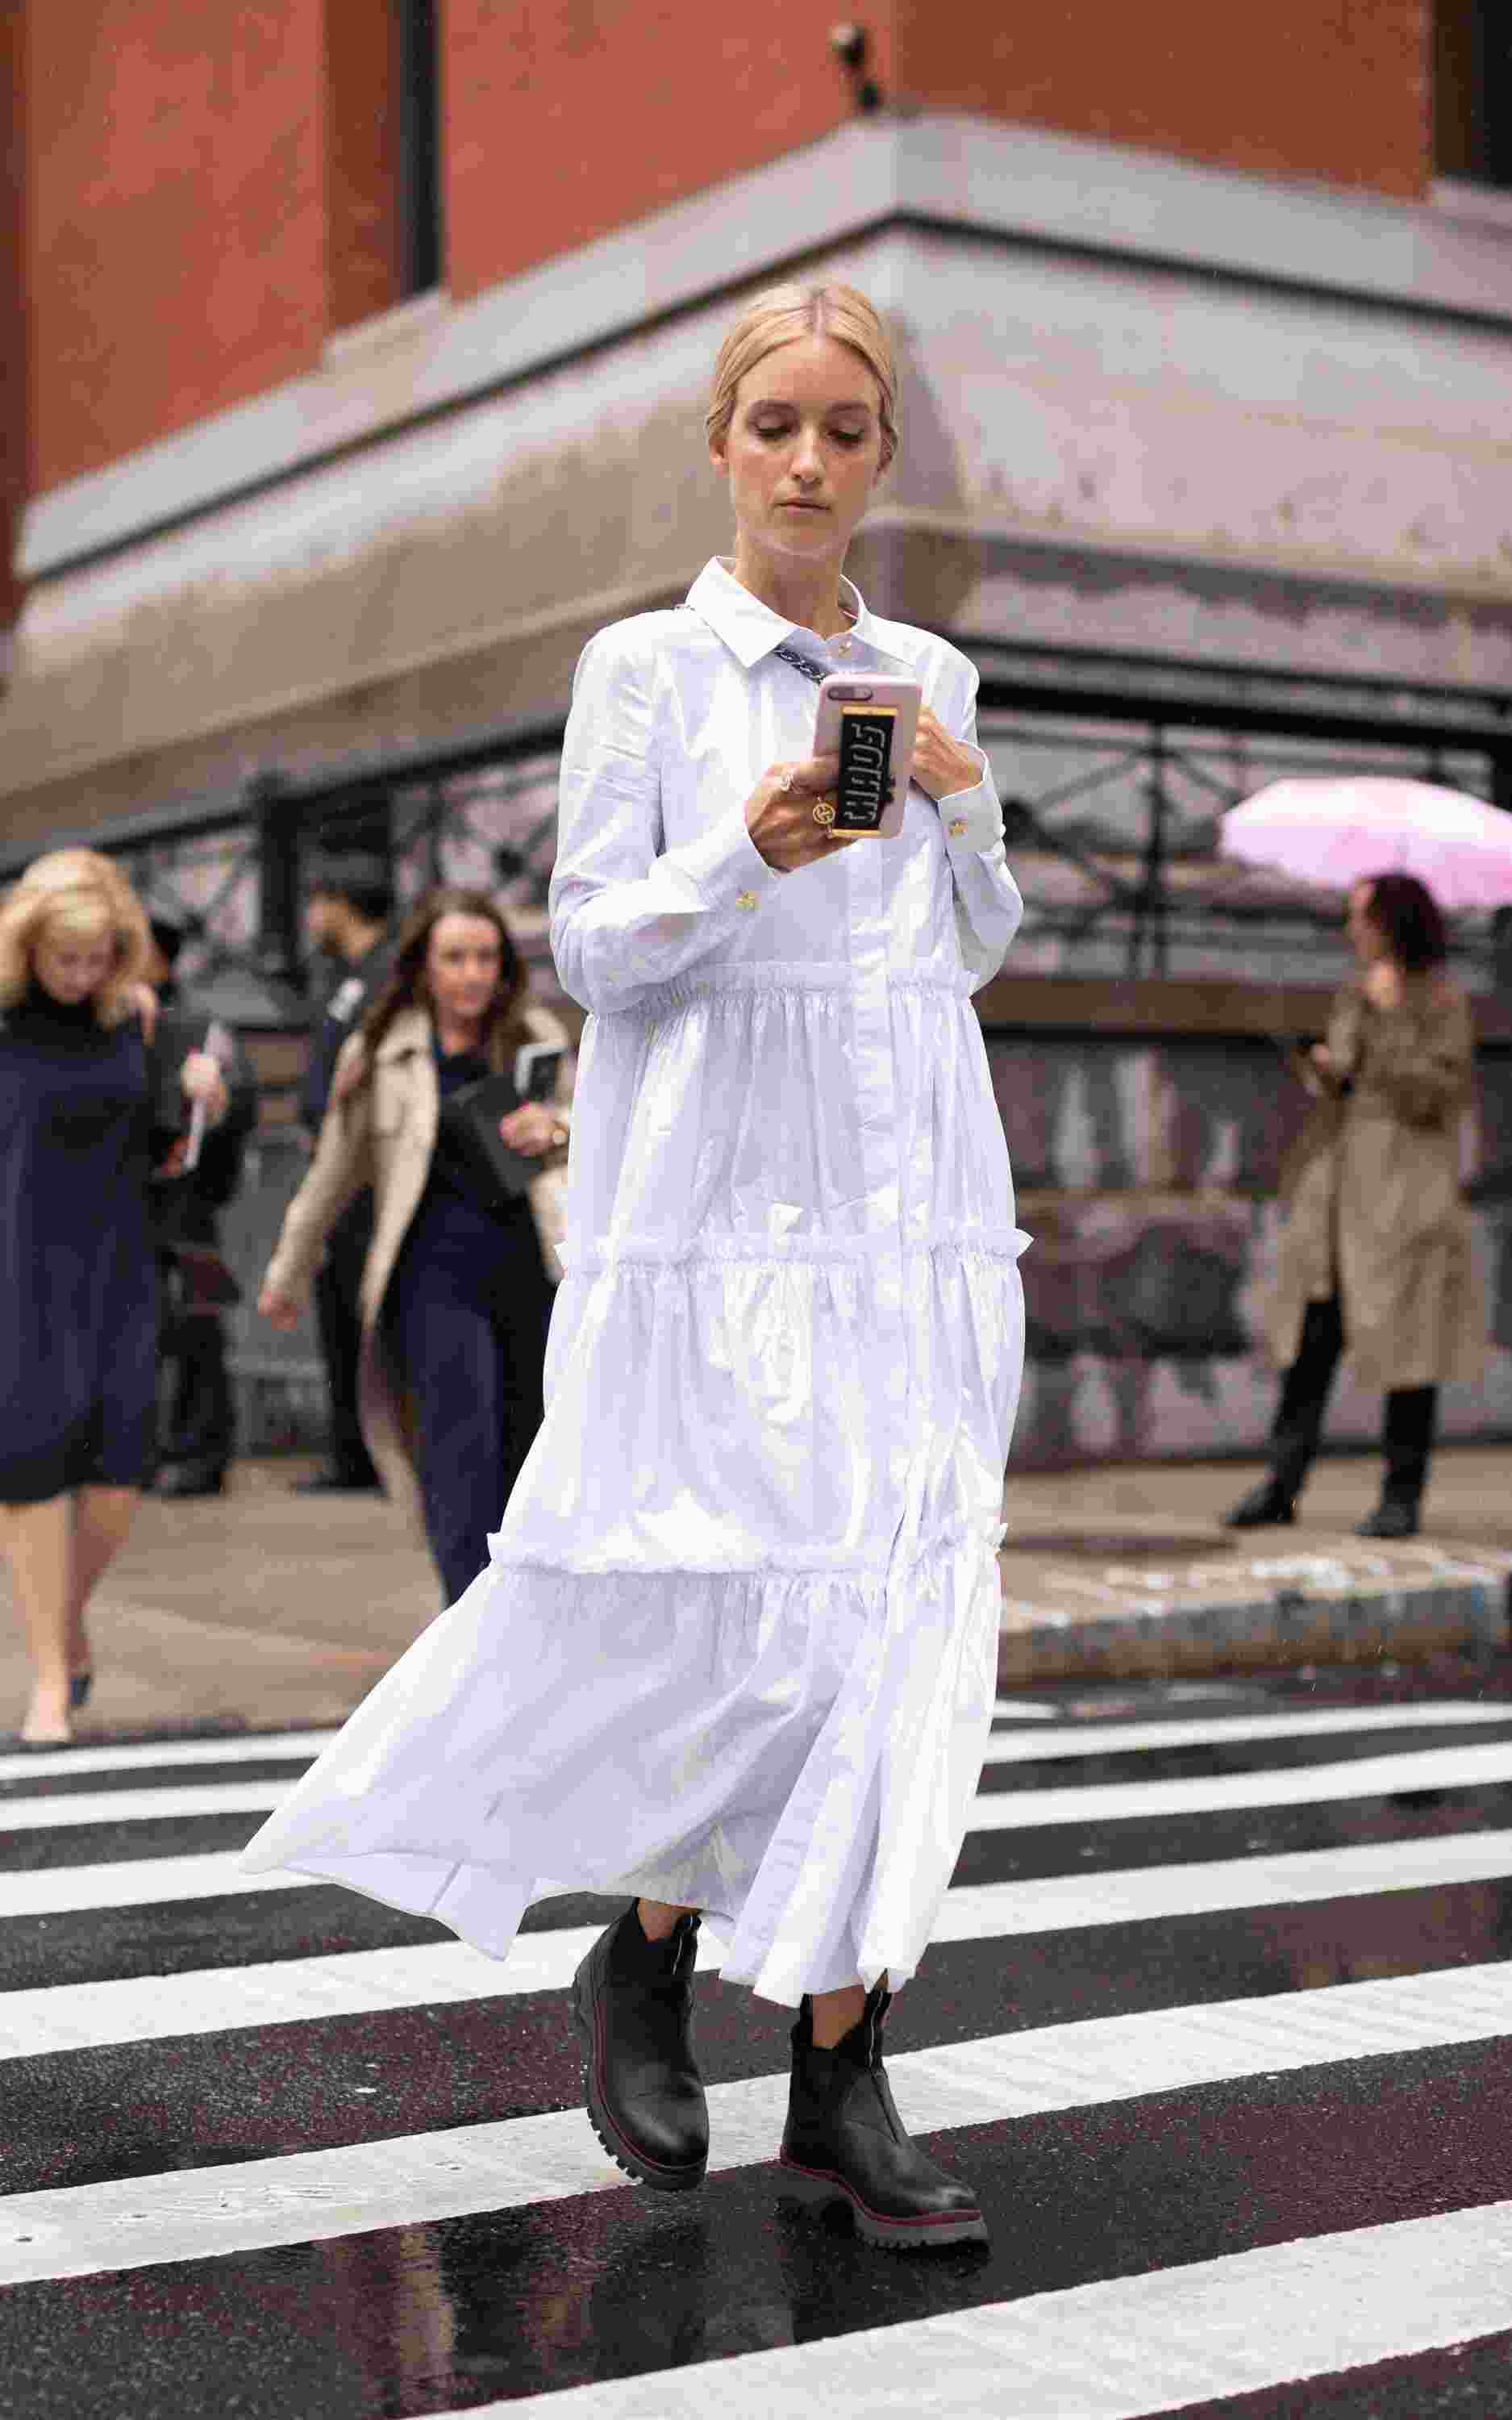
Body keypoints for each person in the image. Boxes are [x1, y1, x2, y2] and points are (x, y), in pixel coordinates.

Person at [243, 282, 1026, 2251]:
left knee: (898, 1618)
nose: (805, 462)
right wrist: (748, 846)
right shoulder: (643, 673)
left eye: (844, 430)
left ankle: (842, 2074)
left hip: (906, 1196)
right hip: (715, 1218)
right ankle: (650, 1955)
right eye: (773, 423)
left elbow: (977, 940)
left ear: (878, 456)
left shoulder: (927, 665)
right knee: (729, 1613)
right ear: (717, 438)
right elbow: (592, 948)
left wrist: (957, 795)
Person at [257, 887, 572, 1603]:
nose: (472, 974)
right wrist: (287, 1274)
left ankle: (520, 1618)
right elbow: (333, 1173)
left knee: (529, 1458)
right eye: (454, 957)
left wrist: (554, 1131)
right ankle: (467, 1622)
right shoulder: (379, 1050)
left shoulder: (532, 1037)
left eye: (486, 957)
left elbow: (594, 1138)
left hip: (531, 1277)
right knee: (460, 1457)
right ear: (423, 966)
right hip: (430, 1282)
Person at [0, 850, 229, 1744]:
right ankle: (52, 1682)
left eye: (99, 957)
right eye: (66, 959)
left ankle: (65, 1626)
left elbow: (182, 1145)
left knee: (119, 1473)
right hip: (18, 1261)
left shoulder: (136, 1020)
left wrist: (203, 1094)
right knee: (31, 1466)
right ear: (29, 948)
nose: (83, 974)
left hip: (119, 1259)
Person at [1225, 871, 1485, 1539]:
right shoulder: (1352, 994)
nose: (1350, 928)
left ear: (1391, 921)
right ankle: (1280, 1484)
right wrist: (1325, 1068)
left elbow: (1441, 1093)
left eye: (1359, 915)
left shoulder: (1440, 1001)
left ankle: (1401, 1495)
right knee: (1311, 1342)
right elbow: (1346, 1078)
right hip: (1339, 1193)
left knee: (1407, 1346)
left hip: (1403, 1196)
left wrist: (1378, 1041)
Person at [142, 900, 259, 1499]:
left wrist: (205, 1109)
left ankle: (199, 1452)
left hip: (186, 1205)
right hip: (129, 1206)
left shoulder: (197, 1026)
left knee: (195, 1327)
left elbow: (237, 1103)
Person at [293, 851, 396, 1494]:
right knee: (336, 1311)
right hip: (337, 1172)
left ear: (337, 901)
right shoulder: (346, 977)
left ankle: (374, 1453)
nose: (310, 917)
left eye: (316, 902)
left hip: (369, 1176)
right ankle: (351, 1453)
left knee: (366, 1316)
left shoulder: (386, 974)